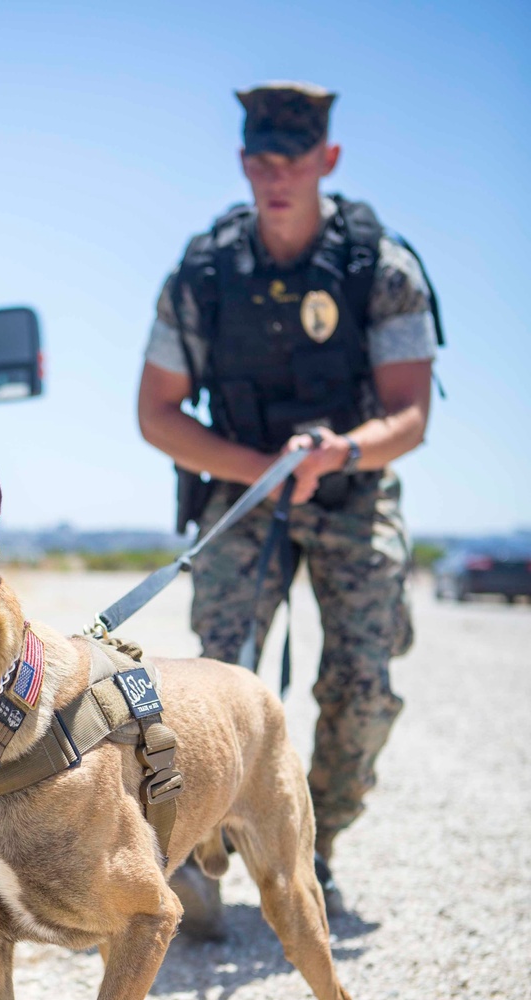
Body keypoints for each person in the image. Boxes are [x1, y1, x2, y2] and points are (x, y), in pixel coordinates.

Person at [137, 81, 439, 922]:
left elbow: (411, 413)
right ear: (243, 162)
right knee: (216, 681)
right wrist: (260, 466)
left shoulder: (380, 265)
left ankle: (314, 849)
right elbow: (155, 412)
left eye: (295, 160)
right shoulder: (203, 273)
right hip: (244, 494)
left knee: (359, 685)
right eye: (263, 160)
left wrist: (339, 452)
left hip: (352, 489)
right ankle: (205, 847)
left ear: (327, 160)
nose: (278, 175)